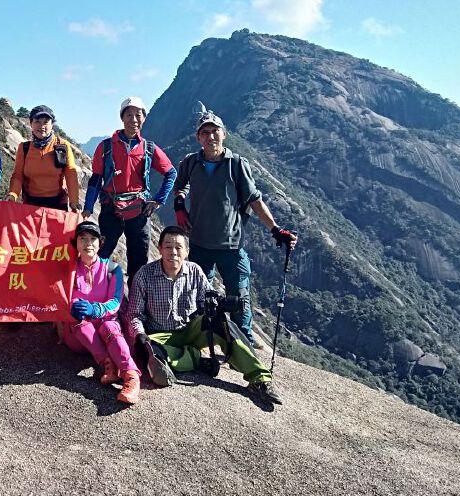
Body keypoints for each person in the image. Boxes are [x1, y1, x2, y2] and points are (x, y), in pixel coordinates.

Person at [172, 109, 297, 348]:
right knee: (200, 301)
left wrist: (275, 229)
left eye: (215, 131)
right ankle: (201, 345)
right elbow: (180, 186)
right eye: (205, 132)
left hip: (231, 247)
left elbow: (254, 199)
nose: (210, 137)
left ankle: (244, 349)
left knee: (240, 300)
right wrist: (179, 204)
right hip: (199, 245)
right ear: (198, 137)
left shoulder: (237, 164)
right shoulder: (190, 163)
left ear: (224, 134)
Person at [126, 226, 282, 405]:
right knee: (151, 358)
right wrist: (140, 335)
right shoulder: (144, 276)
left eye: (178, 247)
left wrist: (223, 303)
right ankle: (197, 360)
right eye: (168, 247)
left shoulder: (194, 271)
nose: (173, 252)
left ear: (187, 251)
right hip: (159, 335)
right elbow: (134, 314)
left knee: (224, 325)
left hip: (190, 330)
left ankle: (259, 379)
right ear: (160, 248)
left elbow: (208, 297)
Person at [82, 96, 176, 284]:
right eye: (129, 115)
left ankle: (135, 304)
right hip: (111, 209)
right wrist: (88, 208)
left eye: (138, 115)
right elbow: (96, 179)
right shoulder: (106, 146)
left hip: (139, 212)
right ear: (122, 118)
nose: (134, 119)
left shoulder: (149, 148)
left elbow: (171, 173)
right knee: (102, 255)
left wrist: (158, 200)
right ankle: (98, 293)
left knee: (139, 261)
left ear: (144, 118)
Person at [57, 221, 140, 405]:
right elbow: (61, 297)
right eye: (83, 239)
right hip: (78, 335)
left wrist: (95, 309)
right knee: (80, 322)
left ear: (100, 243)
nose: (88, 243)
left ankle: (131, 377)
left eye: (93, 238)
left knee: (110, 325)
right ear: (76, 244)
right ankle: (107, 363)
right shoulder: (68, 269)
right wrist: (72, 306)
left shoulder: (112, 269)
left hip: (104, 325)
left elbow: (115, 302)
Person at [7, 105, 80, 211]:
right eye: (37, 121)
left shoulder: (63, 146)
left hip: (57, 205)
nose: (41, 126)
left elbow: (71, 174)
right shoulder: (24, 148)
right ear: (31, 124)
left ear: (52, 125)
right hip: (31, 204)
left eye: (45, 122)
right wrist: (13, 194)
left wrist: (74, 202)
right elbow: (18, 175)